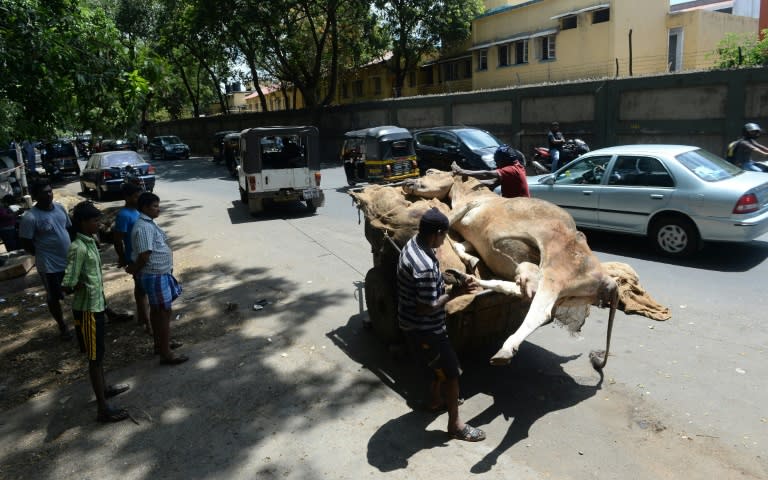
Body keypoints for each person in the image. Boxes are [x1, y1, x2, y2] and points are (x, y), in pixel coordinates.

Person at [397, 207, 485, 442]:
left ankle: (434, 401)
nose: (445, 239)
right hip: (426, 330)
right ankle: (455, 425)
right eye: (444, 234)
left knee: (436, 367)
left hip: (413, 326)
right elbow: (425, 308)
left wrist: (444, 279)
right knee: (452, 374)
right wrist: (456, 292)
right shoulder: (424, 266)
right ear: (436, 233)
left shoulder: (414, 245)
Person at [62, 202, 130, 423]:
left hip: (97, 307)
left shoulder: (90, 242)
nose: (98, 224)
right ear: (83, 222)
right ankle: (103, 408)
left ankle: (105, 389)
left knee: (99, 354)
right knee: (94, 358)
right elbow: (68, 282)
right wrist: (77, 285)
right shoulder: (78, 248)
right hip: (87, 311)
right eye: (94, 221)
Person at [126, 192, 188, 365]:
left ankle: (161, 345)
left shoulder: (148, 223)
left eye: (158, 205)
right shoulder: (143, 226)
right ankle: (166, 353)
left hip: (159, 273)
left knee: (159, 311)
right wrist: (134, 270)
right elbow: (145, 255)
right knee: (162, 313)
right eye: (154, 206)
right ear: (145, 208)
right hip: (154, 274)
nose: (158, 209)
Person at [19, 179, 73, 339]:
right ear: (36, 196)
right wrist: (44, 253)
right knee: (54, 297)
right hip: (49, 265)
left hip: (69, 260)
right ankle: (62, 326)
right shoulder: (30, 218)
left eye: (50, 191)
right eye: (44, 192)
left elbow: (69, 229)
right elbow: (26, 243)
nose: (49, 194)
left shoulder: (60, 208)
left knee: (83, 286)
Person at [113, 183, 151, 334]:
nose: (138, 198)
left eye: (139, 195)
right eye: (136, 196)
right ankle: (148, 323)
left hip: (142, 253)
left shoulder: (139, 211)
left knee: (141, 289)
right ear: (127, 197)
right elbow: (117, 239)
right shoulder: (123, 215)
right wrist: (122, 257)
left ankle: (142, 317)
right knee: (143, 289)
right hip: (134, 257)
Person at [451, 145, 530, 198]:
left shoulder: (512, 169)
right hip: (514, 202)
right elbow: (492, 182)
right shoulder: (517, 166)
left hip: (518, 205)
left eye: (497, 161)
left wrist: (462, 171)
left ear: (504, 160)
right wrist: (472, 182)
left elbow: (487, 174)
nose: (496, 163)